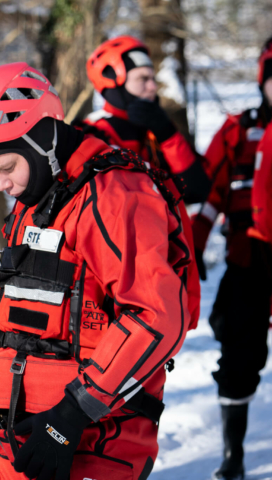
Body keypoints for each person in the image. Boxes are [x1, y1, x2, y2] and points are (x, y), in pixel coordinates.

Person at [0, 62, 200, 480]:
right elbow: (25, 304)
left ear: (43, 138)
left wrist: (70, 416)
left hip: (91, 443)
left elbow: (155, 317)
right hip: (24, 437)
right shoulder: (40, 196)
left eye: (7, 168)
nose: (0, 185)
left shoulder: (114, 195)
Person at [192, 37, 272, 480]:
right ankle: (233, 455)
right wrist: (194, 242)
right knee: (238, 352)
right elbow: (209, 194)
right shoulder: (239, 130)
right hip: (248, 257)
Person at [80, 35, 211, 204]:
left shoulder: (156, 129)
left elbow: (196, 191)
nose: (153, 87)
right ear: (113, 81)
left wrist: (167, 134)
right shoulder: (91, 135)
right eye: (143, 79)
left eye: (153, 78)